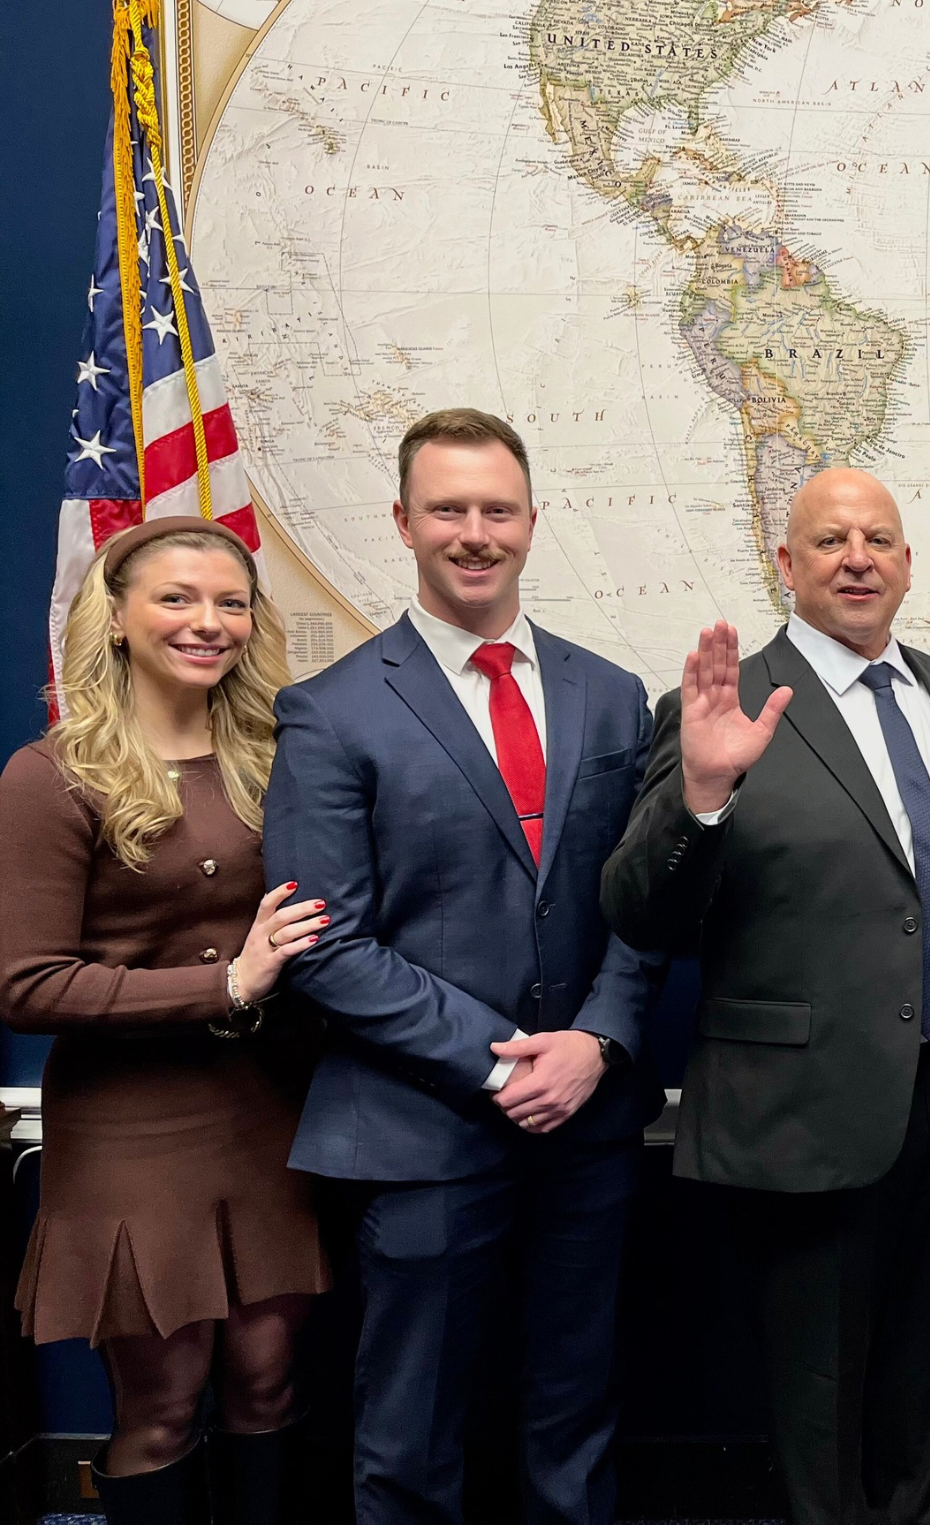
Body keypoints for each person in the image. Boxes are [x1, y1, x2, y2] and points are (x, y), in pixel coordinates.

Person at [600, 468, 930, 1525]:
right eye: (829, 541)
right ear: (785, 564)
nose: (857, 557)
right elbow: (639, 908)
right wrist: (701, 795)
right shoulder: (725, 710)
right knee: (821, 1399)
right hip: (804, 1108)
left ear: (909, 564)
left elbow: (923, 855)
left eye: (878, 539)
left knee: (926, 1373)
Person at [263, 409, 665, 1525]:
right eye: (448, 509)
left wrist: (594, 1043)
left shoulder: (611, 696)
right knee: (411, 1436)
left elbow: (638, 905)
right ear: (403, 522)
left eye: (496, 510)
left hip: (584, 1124)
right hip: (421, 1128)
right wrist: (499, 1069)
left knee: (574, 1421)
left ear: (532, 522)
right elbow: (322, 942)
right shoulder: (332, 711)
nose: (474, 533)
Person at [0, 516, 328, 1523]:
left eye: (230, 601)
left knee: (270, 1386)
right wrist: (227, 984)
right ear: (116, 617)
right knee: (160, 1403)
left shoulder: (284, 759)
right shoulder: (51, 777)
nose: (207, 622)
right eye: (176, 598)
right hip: (132, 1136)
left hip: (267, 1119)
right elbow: (27, 984)